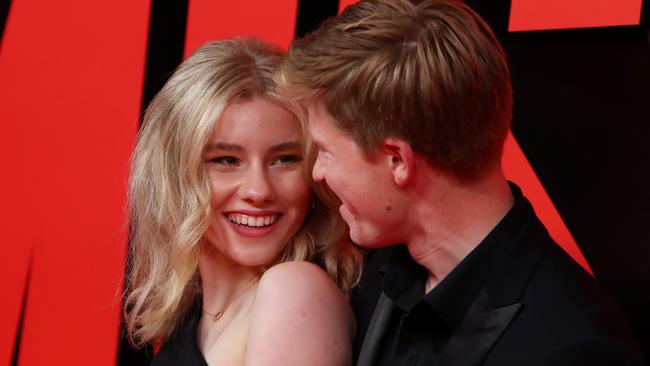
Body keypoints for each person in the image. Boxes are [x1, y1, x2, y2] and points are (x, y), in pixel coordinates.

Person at [277, 0, 647, 365]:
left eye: (325, 150)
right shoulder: (370, 275)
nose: (318, 173)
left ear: (397, 160)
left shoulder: (573, 349)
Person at [123, 37, 361, 366]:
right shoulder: (191, 320)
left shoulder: (292, 293)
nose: (258, 190)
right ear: (175, 173)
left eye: (285, 159)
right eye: (226, 160)